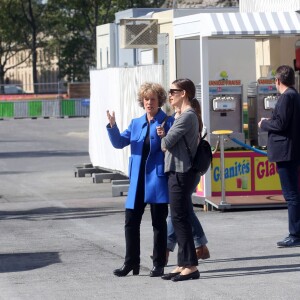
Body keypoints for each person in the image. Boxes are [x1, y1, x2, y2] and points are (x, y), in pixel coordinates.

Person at [106, 82, 174, 277]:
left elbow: (172, 147)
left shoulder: (167, 122)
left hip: (157, 180)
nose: (149, 103)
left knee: (158, 224)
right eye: (146, 99)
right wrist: (112, 126)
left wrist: (165, 136)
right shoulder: (136, 123)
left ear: (159, 101)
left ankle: (159, 264)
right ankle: (131, 263)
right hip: (137, 181)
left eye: (153, 99)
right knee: (130, 222)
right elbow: (119, 143)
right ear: (142, 101)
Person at [159, 78, 201, 282]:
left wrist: (164, 137)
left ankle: (191, 265)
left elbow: (166, 142)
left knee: (179, 217)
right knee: (178, 216)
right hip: (179, 170)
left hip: (181, 171)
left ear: (184, 93)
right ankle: (184, 262)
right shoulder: (183, 116)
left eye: (173, 91)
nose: (170, 95)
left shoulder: (187, 117)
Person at [258, 65, 300, 247]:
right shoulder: (294, 96)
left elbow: (281, 124)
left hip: (286, 152)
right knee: (293, 193)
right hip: (292, 150)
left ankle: (295, 233)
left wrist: (264, 124)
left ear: (277, 81)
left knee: (291, 195)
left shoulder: (286, 98)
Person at [165, 98, 210, 264]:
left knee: (177, 211)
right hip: (192, 171)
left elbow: (167, 143)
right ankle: (200, 246)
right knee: (185, 209)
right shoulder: (194, 121)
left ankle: (167, 248)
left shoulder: (188, 121)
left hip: (186, 171)